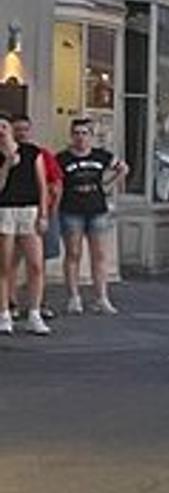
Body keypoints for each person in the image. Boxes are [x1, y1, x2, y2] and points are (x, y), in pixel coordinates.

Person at [56, 119, 127, 315]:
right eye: (77, 133)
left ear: (91, 136)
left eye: (84, 133)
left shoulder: (101, 156)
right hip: (71, 210)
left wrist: (109, 186)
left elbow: (122, 168)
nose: (80, 137)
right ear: (71, 136)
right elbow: (56, 183)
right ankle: (74, 297)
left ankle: (101, 297)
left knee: (99, 255)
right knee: (73, 253)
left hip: (97, 209)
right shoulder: (62, 158)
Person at [1, 114, 51, 336]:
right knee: (4, 264)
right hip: (5, 209)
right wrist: (6, 165)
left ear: (10, 129)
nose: (1, 131)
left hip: (29, 209)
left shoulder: (32, 152)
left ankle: (34, 313)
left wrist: (44, 214)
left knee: (35, 264)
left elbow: (42, 186)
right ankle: (4, 313)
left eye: (3, 126)